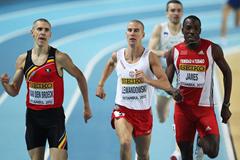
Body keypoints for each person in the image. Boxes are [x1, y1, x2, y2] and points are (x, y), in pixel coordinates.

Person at [0, 18, 92, 160]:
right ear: (32, 32)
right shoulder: (23, 60)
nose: (42, 32)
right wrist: (5, 85)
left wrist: (86, 105)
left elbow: (80, 77)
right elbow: (14, 91)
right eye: (39, 29)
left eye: (46, 30)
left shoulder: (59, 58)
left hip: (54, 118)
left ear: (50, 35)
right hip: (33, 119)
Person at [96, 20, 181, 160]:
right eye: (129, 30)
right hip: (122, 109)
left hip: (143, 113)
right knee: (125, 142)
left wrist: (147, 80)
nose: (132, 33)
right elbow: (110, 64)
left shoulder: (150, 57)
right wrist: (100, 84)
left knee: (143, 154)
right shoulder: (117, 55)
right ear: (126, 34)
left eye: (136, 30)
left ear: (143, 35)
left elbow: (166, 84)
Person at [166, 15, 232, 160]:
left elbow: (227, 73)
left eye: (196, 28)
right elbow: (166, 82)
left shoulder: (212, 49)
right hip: (183, 111)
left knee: (213, 151)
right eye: (188, 28)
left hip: (204, 110)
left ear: (200, 30)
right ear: (182, 30)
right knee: (186, 155)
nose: (192, 32)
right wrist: (172, 91)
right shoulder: (174, 52)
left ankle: (200, 142)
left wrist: (225, 105)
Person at [148, 1, 184, 159]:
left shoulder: (187, 29)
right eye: (172, 10)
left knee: (180, 114)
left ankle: (178, 151)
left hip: (182, 77)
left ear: (182, 13)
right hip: (164, 76)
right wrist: (165, 54)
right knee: (162, 115)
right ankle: (164, 110)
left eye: (178, 10)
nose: (175, 13)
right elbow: (150, 50)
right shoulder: (160, 28)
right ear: (167, 13)